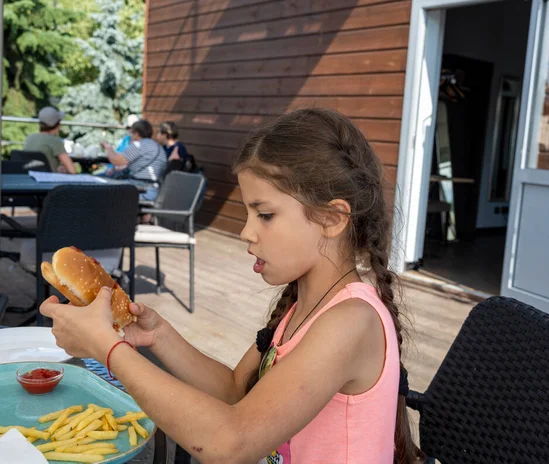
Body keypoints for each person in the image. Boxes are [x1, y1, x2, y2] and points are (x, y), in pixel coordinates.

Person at [41, 108, 423, 463]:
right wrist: (159, 336)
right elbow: (237, 391)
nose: (246, 231)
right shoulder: (304, 305)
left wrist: (107, 349)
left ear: (332, 218)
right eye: (247, 213)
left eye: (266, 214)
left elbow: (230, 442)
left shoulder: (350, 321)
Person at [100, 119, 167, 202]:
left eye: (131, 133)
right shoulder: (157, 146)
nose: (130, 136)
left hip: (140, 190)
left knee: (100, 187)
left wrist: (108, 147)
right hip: (154, 190)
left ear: (137, 134)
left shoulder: (139, 144)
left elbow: (116, 160)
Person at [23, 106, 76, 174]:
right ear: (57, 124)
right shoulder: (55, 141)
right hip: (49, 181)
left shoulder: (29, 138)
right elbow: (72, 170)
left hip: (30, 178)